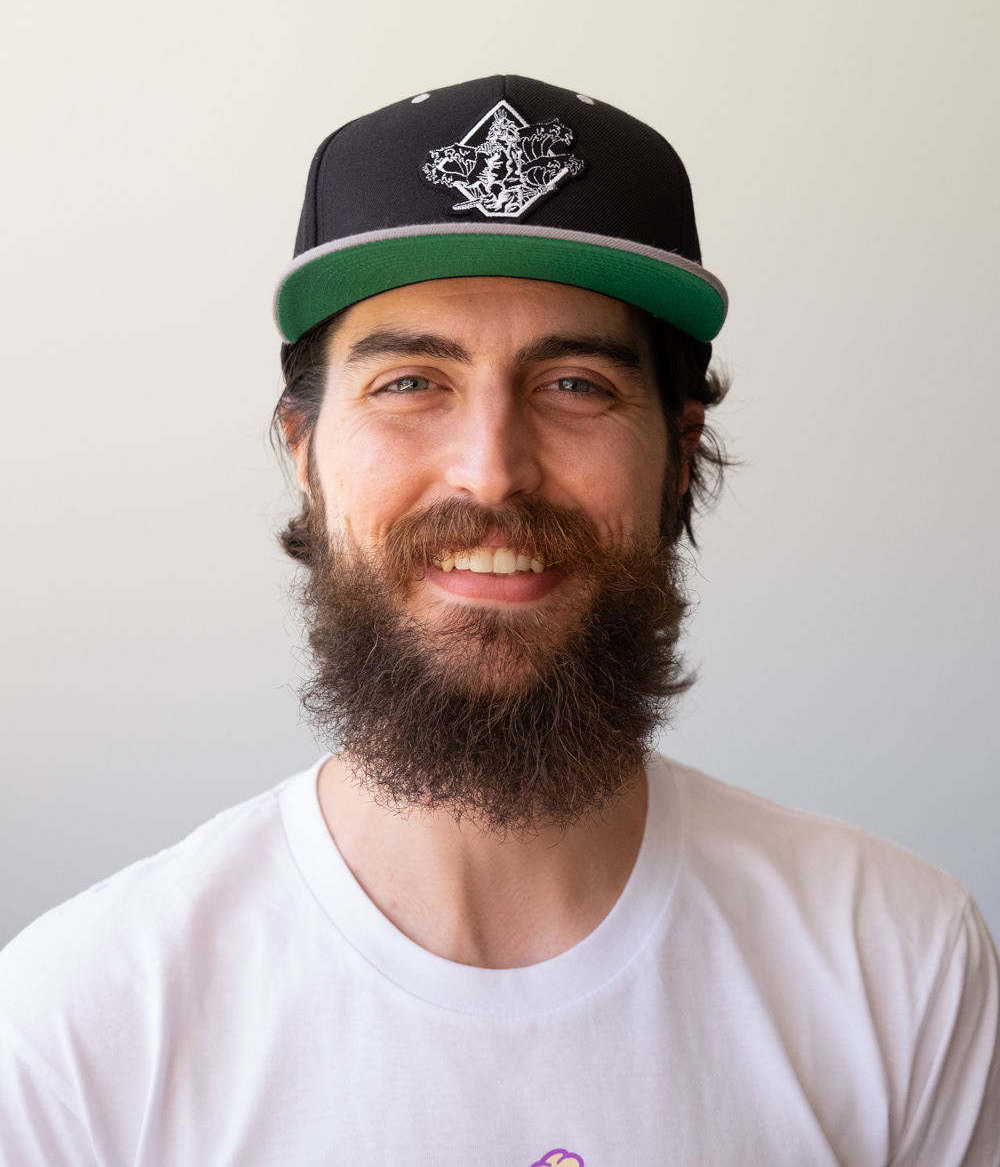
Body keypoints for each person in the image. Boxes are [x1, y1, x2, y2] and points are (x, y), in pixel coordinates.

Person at [0, 75, 997, 1165]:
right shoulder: (79, 1029)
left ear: (680, 454)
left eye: (574, 385)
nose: (492, 471)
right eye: (410, 382)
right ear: (303, 451)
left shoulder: (898, 964)